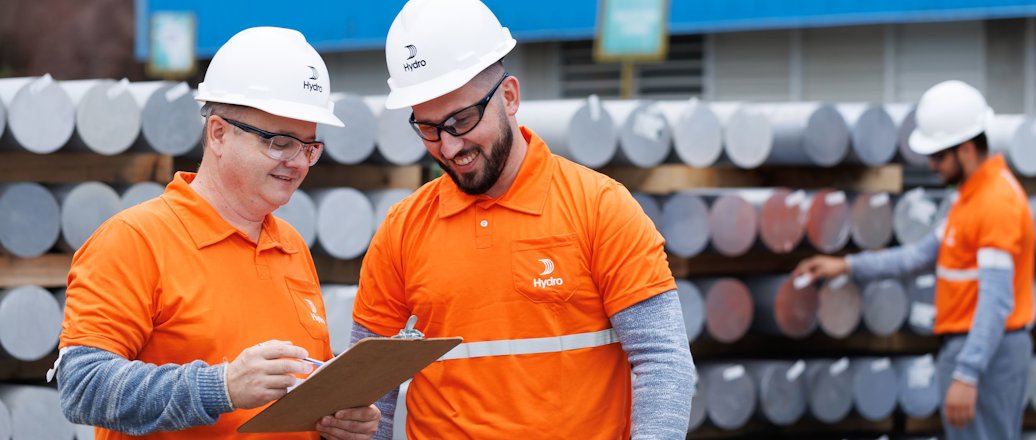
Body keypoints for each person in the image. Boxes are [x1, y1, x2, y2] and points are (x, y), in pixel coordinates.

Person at [349, 0, 696, 438]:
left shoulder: (600, 206)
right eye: (429, 128)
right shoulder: (403, 228)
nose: (449, 147)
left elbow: (663, 360)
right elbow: (366, 388)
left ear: (509, 96)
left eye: (462, 120)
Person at [53, 27, 380, 439]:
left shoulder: (291, 246)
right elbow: (84, 388)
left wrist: (337, 421)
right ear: (219, 134)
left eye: (309, 147)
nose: (297, 162)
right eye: (280, 143)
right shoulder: (135, 240)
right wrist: (221, 387)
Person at [795, 80, 1034, 440]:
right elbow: (920, 255)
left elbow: (996, 300)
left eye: (938, 155)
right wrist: (847, 266)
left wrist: (967, 373)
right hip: (976, 349)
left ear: (966, 150)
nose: (931, 165)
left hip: (987, 355)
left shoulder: (995, 203)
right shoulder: (970, 199)